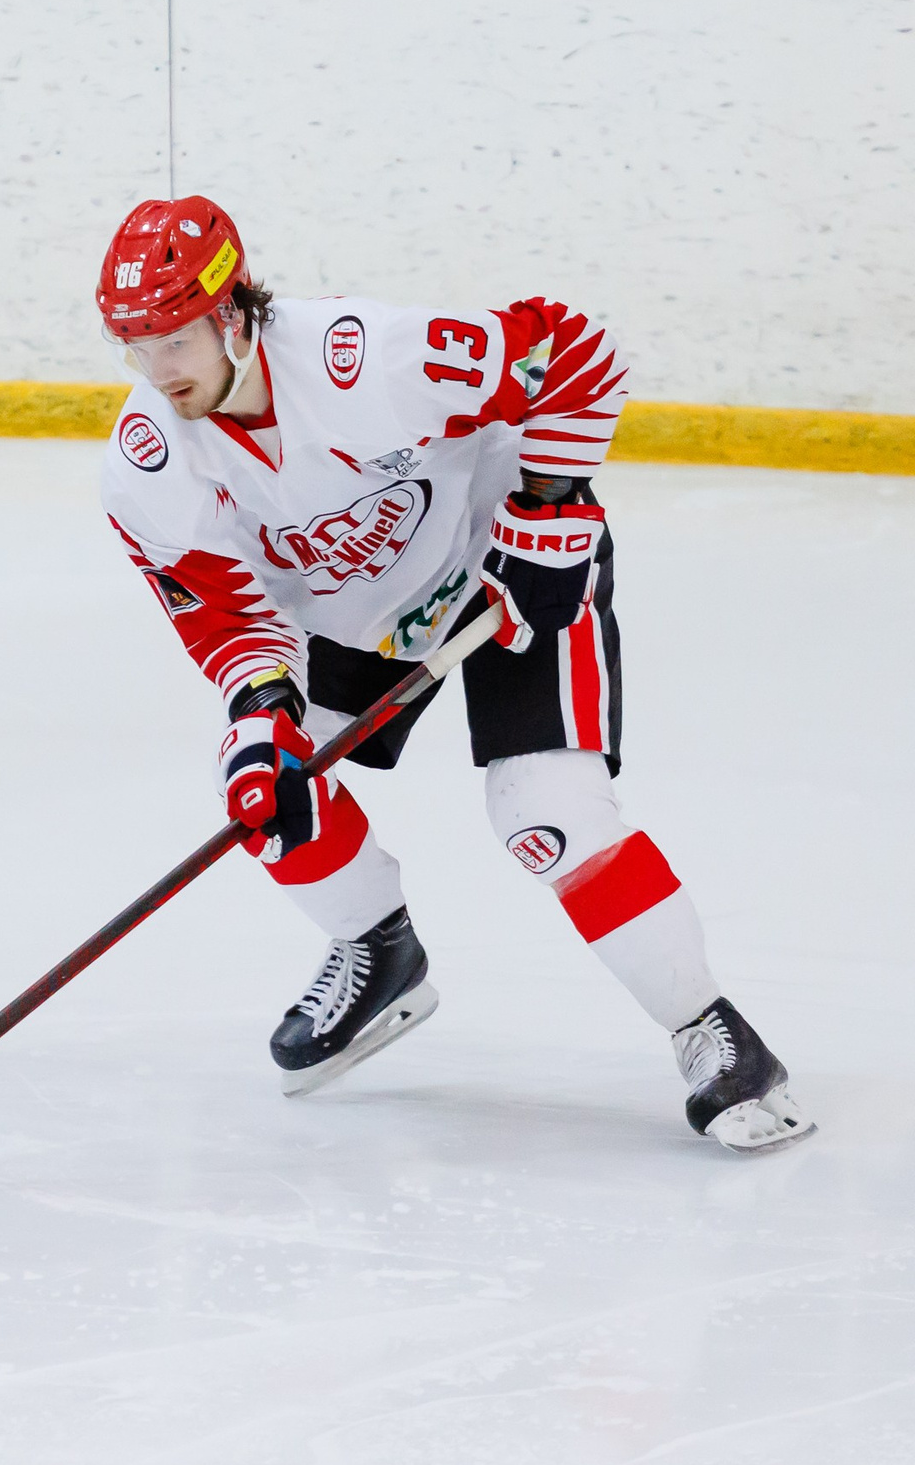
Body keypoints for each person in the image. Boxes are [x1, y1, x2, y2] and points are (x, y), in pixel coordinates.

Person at [93, 195, 809, 1153]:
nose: (157, 370)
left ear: (231, 313)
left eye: (173, 338)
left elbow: (570, 352)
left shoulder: (370, 359)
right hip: (354, 608)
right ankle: (376, 948)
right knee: (268, 785)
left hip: (500, 567)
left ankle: (712, 1031)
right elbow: (227, 613)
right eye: (135, 346)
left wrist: (545, 518)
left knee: (543, 812)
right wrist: (262, 707)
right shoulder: (147, 468)